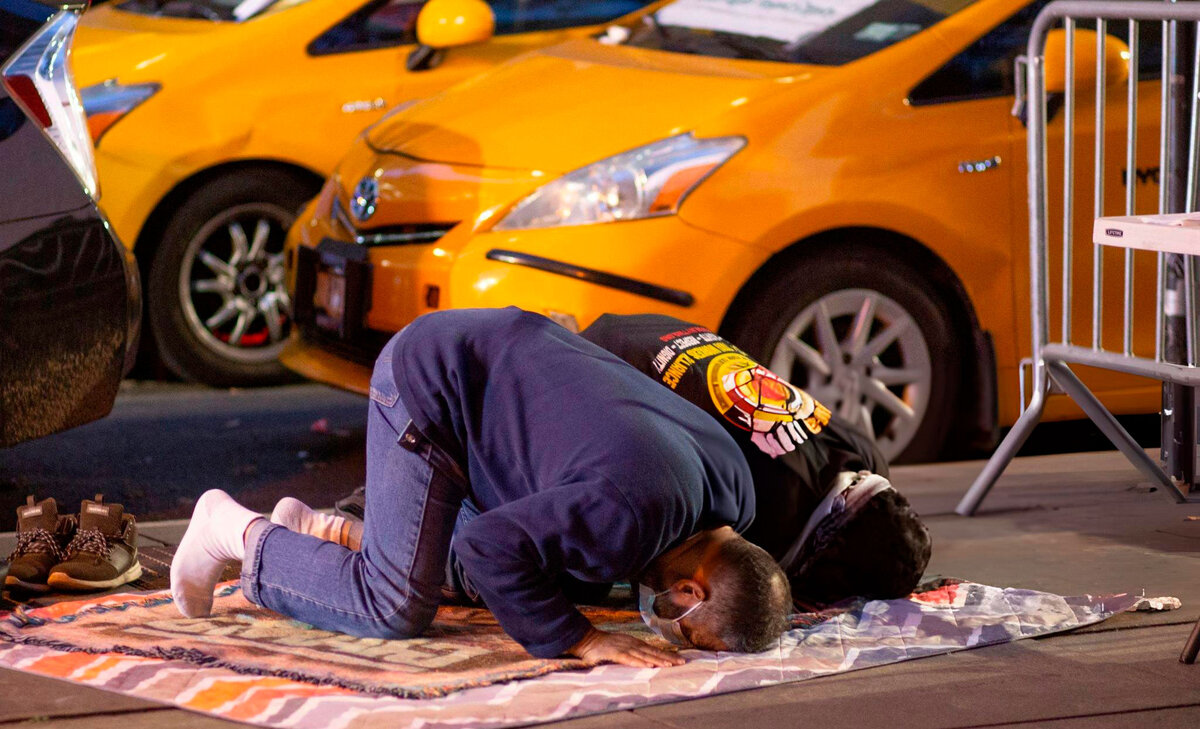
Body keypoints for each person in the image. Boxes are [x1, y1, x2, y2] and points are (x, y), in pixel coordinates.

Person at [171, 308, 790, 667]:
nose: (670, 632)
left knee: (542, 576)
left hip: (498, 361)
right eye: (686, 627)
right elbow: (487, 546)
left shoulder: (736, 492)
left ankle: (323, 531)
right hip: (433, 381)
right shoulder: (626, 515)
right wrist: (579, 638)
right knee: (392, 606)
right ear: (689, 588)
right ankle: (231, 528)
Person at [579, 314, 932, 609]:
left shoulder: (865, 456)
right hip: (595, 367)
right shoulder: (767, 513)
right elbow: (686, 567)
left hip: (655, 333)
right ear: (834, 555)